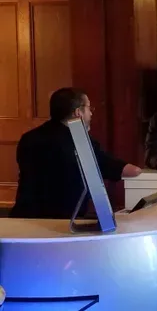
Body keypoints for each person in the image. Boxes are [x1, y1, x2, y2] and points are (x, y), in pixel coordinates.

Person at [11, 88, 141, 219]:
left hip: (24, 217)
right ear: (78, 112)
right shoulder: (78, 140)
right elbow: (105, 164)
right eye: (89, 108)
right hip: (61, 222)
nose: (91, 114)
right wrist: (137, 171)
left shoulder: (29, 137)